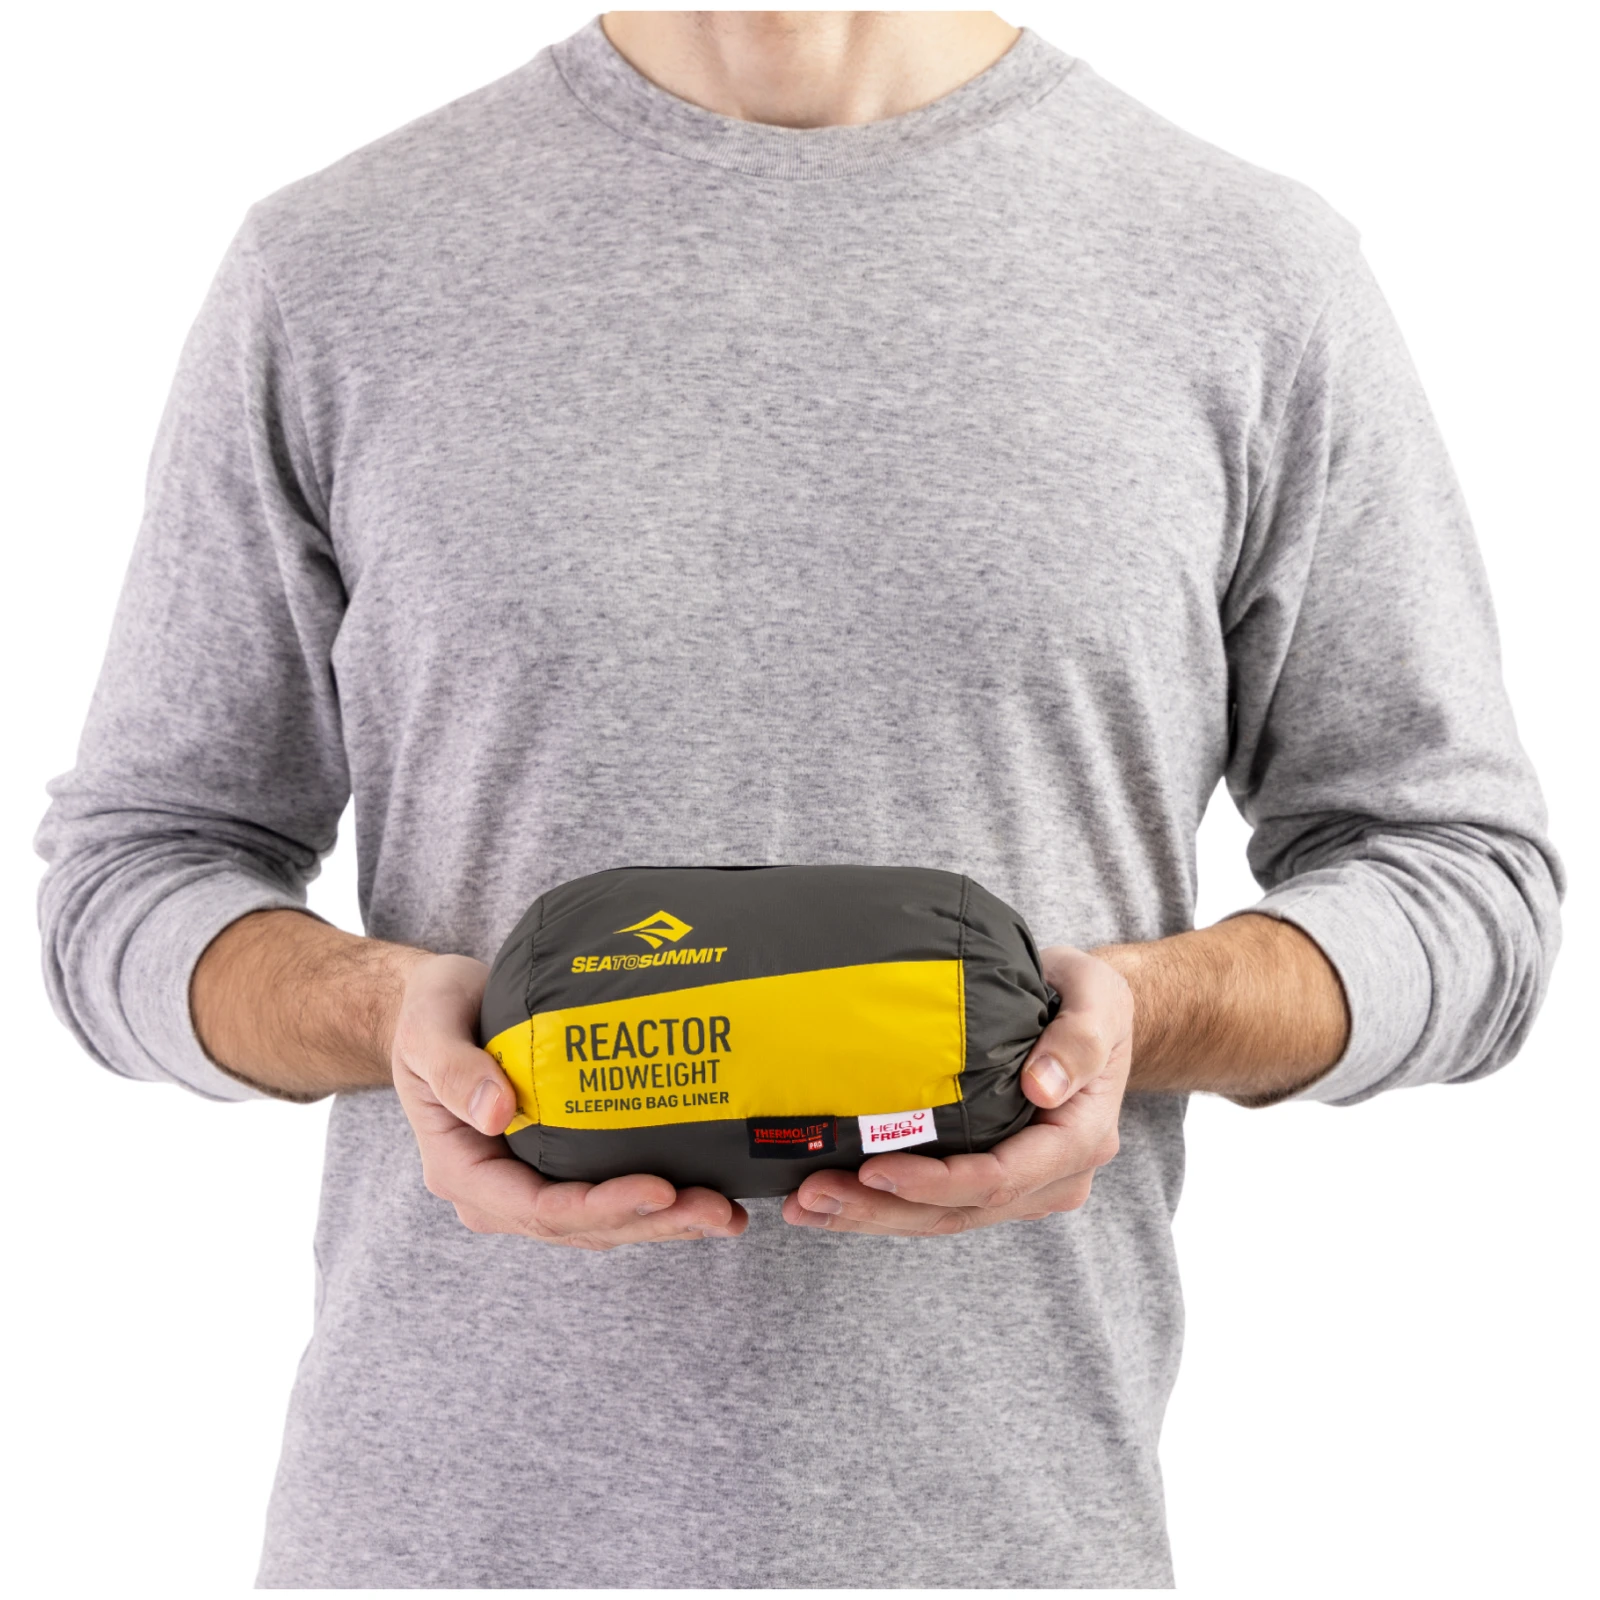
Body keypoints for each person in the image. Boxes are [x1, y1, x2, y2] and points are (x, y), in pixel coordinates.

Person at [35, 9, 1561, 1589]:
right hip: (434, 1549)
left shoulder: (1248, 271)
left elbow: (1465, 884)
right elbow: (131, 875)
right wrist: (383, 1017)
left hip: (1003, 1541)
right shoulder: (335, 267)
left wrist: (1133, 1018)